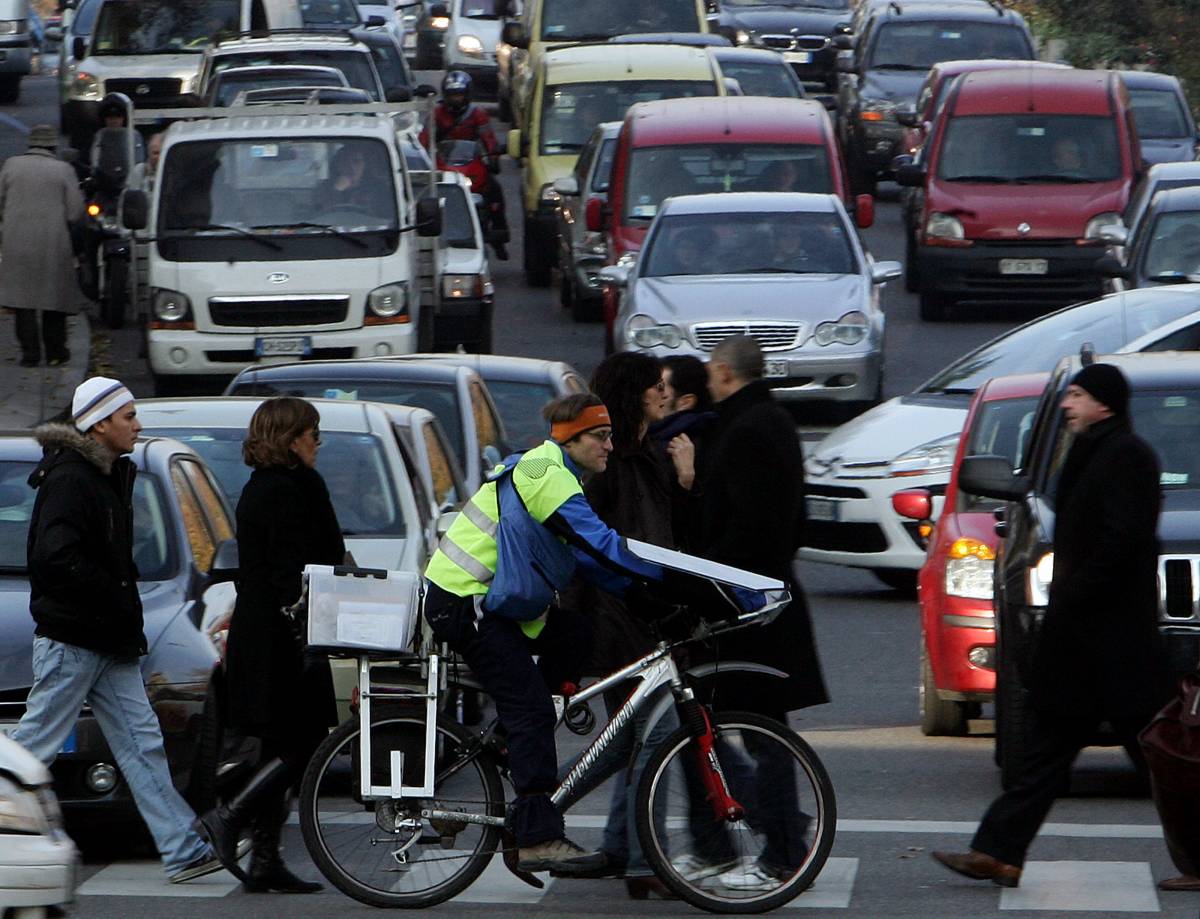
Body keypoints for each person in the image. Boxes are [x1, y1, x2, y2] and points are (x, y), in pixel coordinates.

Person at [933, 363, 1168, 889]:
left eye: (1078, 395)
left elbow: (1123, 540)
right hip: (1084, 638)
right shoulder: (1092, 449)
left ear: (1104, 403)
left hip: (1112, 639)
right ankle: (997, 853)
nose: (1067, 404)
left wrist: (1074, 590)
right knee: (1046, 751)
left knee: (1158, 756)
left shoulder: (1127, 455)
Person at [423, 393, 663, 875]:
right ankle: (536, 836)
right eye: (600, 436)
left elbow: (586, 560)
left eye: (610, 435)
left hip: (494, 606)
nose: (610, 446)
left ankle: (512, 742)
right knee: (530, 707)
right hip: (464, 604)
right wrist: (666, 578)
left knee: (575, 632)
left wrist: (639, 596)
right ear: (569, 438)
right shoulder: (543, 473)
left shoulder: (558, 473)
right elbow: (599, 541)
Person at [14, 377, 222, 884]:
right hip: (77, 639)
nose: (138, 424)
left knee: (141, 742)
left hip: (106, 639)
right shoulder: (73, 478)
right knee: (30, 750)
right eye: (128, 416)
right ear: (99, 423)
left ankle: (183, 849)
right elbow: (54, 556)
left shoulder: (103, 474)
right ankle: (182, 846)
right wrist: (109, 593)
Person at [692, 335, 830, 888]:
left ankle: (783, 851)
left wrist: (719, 581)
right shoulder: (771, 421)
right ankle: (783, 839)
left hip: (751, 606)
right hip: (768, 598)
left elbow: (749, 526)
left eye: (709, 373)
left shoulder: (746, 430)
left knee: (761, 732)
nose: (706, 382)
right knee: (760, 730)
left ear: (725, 373)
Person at [196, 398, 347, 894]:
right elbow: (298, 568)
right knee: (300, 742)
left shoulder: (260, 488)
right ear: (291, 438)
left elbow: (261, 570)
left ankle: (264, 858)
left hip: (265, 630)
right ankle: (230, 817)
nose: (318, 443)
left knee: (281, 745)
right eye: (313, 433)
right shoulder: (291, 489)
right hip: (286, 634)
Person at [556, 354, 694, 897]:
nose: (666, 393)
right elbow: (584, 547)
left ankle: (619, 847)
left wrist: (684, 480)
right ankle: (641, 860)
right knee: (655, 739)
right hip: (619, 623)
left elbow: (668, 539)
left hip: (645, 618)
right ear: (634, 393)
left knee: (632, 743)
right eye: (657, 386)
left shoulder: (650, 458)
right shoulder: (608, 464)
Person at [0, 124, 85, 367]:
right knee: (53, 300)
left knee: (22, 301)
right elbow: (75, 211)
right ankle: (56, 351)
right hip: (53, 243)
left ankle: (30, 353)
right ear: (52, 145)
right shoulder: (63, 170)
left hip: (16, 241)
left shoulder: (10, 165)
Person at [422, 70, 509, 259]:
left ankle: (499, 237)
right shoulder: (436, 114)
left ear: (467, 95)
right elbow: (424, 140)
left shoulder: (478, 114)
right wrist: (424, 159)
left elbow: (489, 139)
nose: (456, 100)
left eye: (459, 95)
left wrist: (493, 158)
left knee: (495, 190)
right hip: (444, 165)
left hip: (471, 163)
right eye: (452, 95)